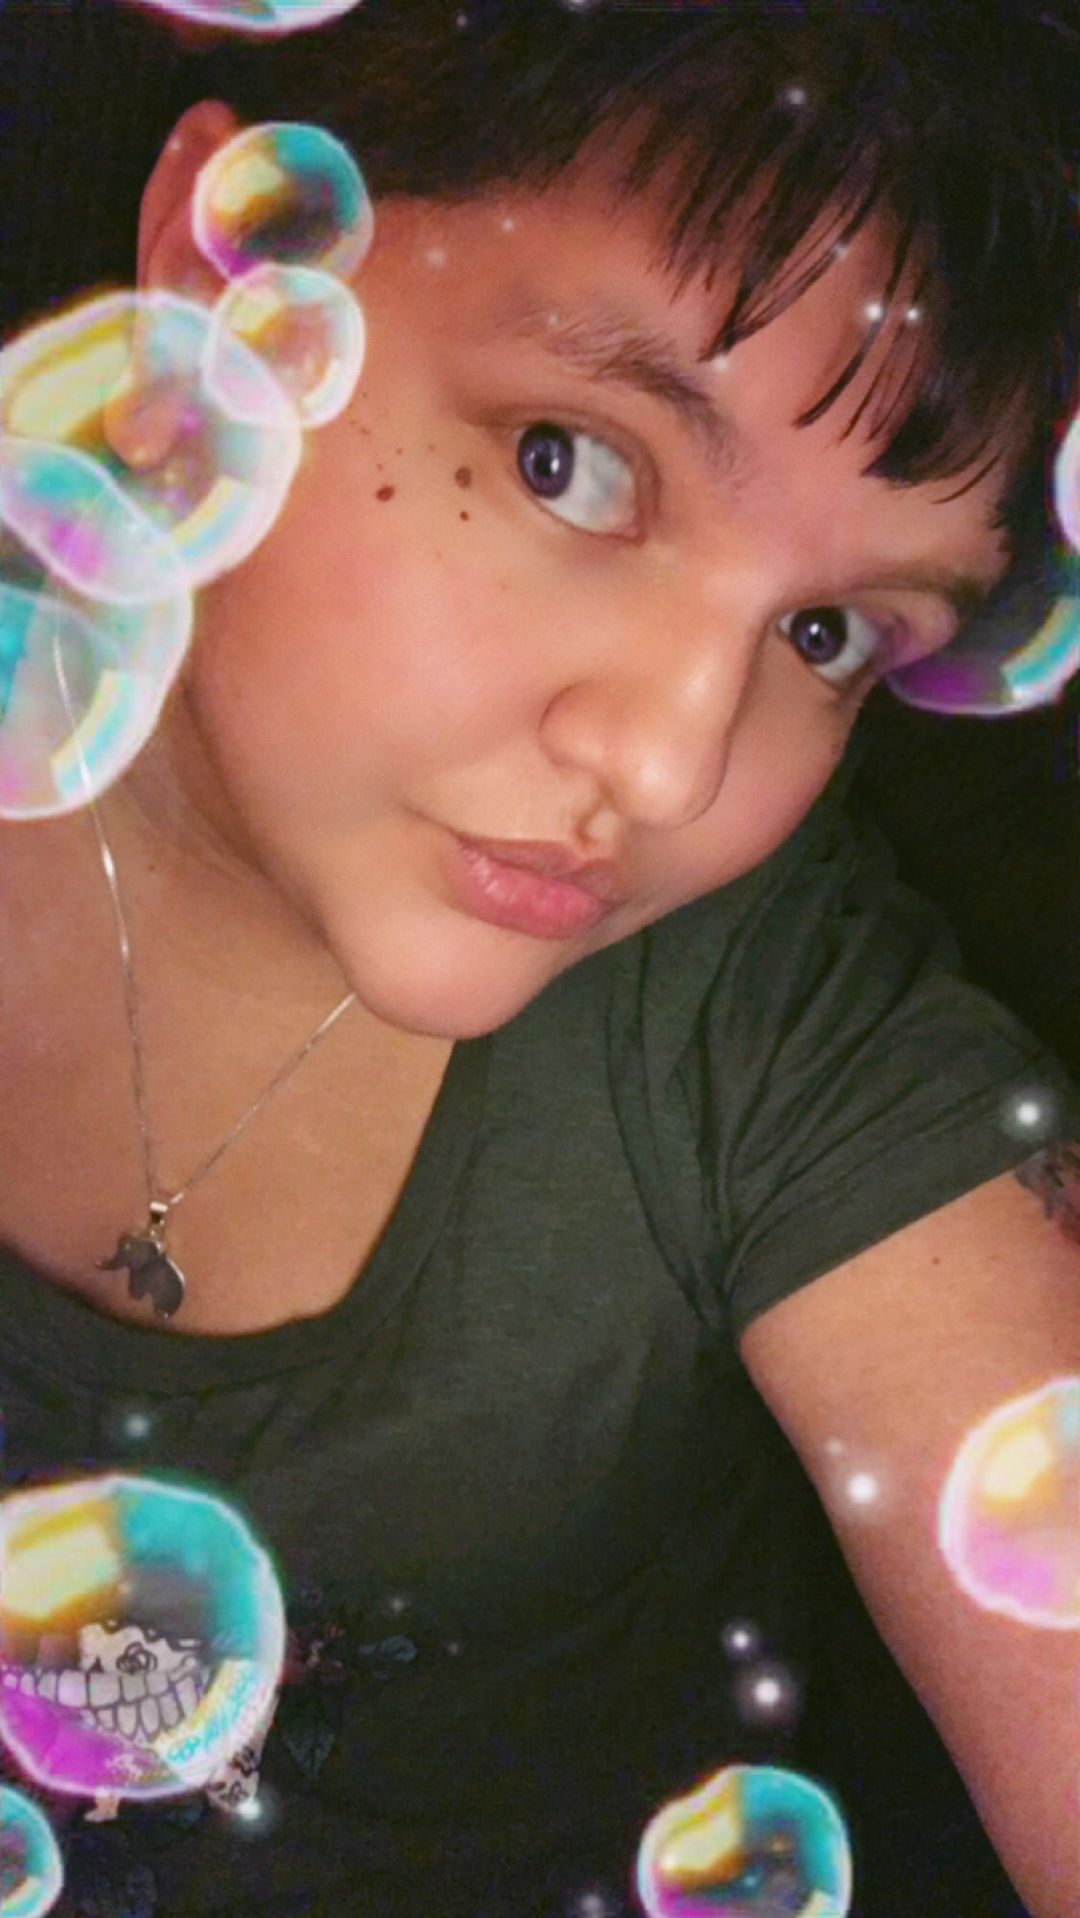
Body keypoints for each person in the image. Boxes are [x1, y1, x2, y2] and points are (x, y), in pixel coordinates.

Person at [0, 2, 1077, 1912]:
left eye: (828, 635)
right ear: (224, 279)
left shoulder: (767, 1021)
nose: (670, 767)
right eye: (573, 463)